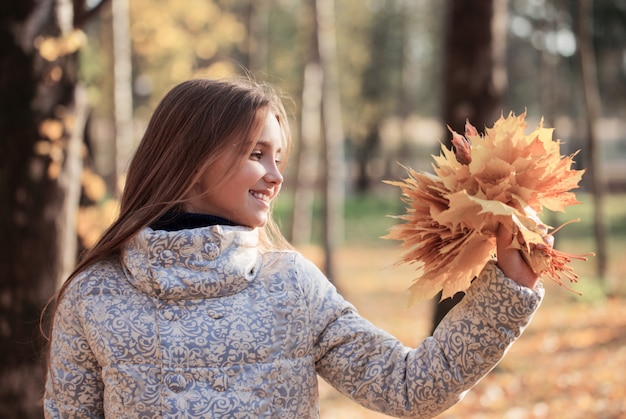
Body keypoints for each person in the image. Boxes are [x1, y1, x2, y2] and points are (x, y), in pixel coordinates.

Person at [43, 77, 544, 418]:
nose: (276, 175)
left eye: (279, 156)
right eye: (257, 154)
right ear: (190, 157)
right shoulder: (94, 296)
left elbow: (410, 387)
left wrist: (509, 288)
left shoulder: (291, 286)